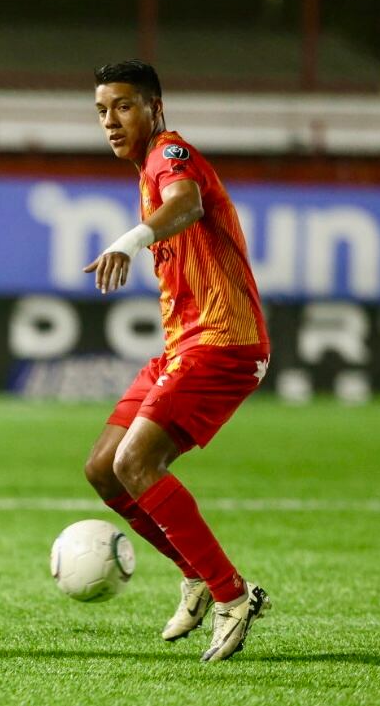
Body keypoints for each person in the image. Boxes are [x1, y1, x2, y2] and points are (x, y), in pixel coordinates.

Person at [82, 60, 272, 662]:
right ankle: (194, 574)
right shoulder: (146, 170)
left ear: (155, 107)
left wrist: (128, 239)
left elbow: (185, 205)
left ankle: (232, 595)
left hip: (225, 342)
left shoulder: (170, 154)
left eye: (123, 106)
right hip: (183, 343)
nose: (111, 121)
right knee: (104, 469)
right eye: (102, 111)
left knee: (138, 461)